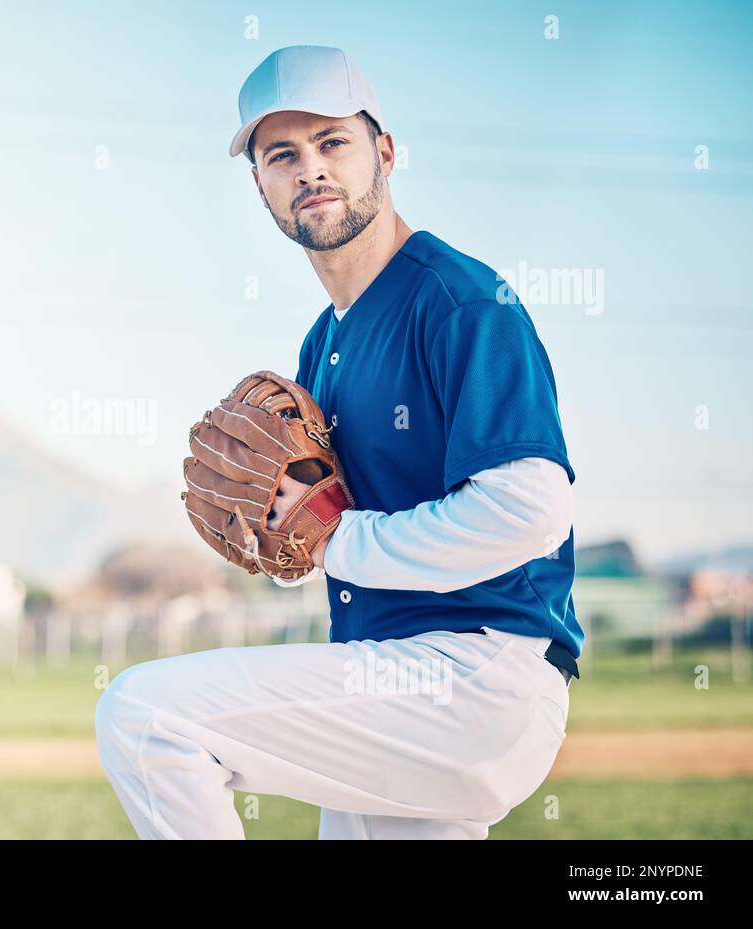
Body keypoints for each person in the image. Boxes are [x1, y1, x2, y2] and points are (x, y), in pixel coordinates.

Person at [95, 45, 583, 840]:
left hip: (473, 673)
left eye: (333, 142)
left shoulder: (461, 303)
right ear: (260, 184)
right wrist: (282, 538)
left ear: (383, 152)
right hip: (391, 675)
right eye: (282, 154)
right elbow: (329, 531)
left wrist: (335, 539)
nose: (309, 169)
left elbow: (528, 514)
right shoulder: (323, 341)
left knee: (148, 716)